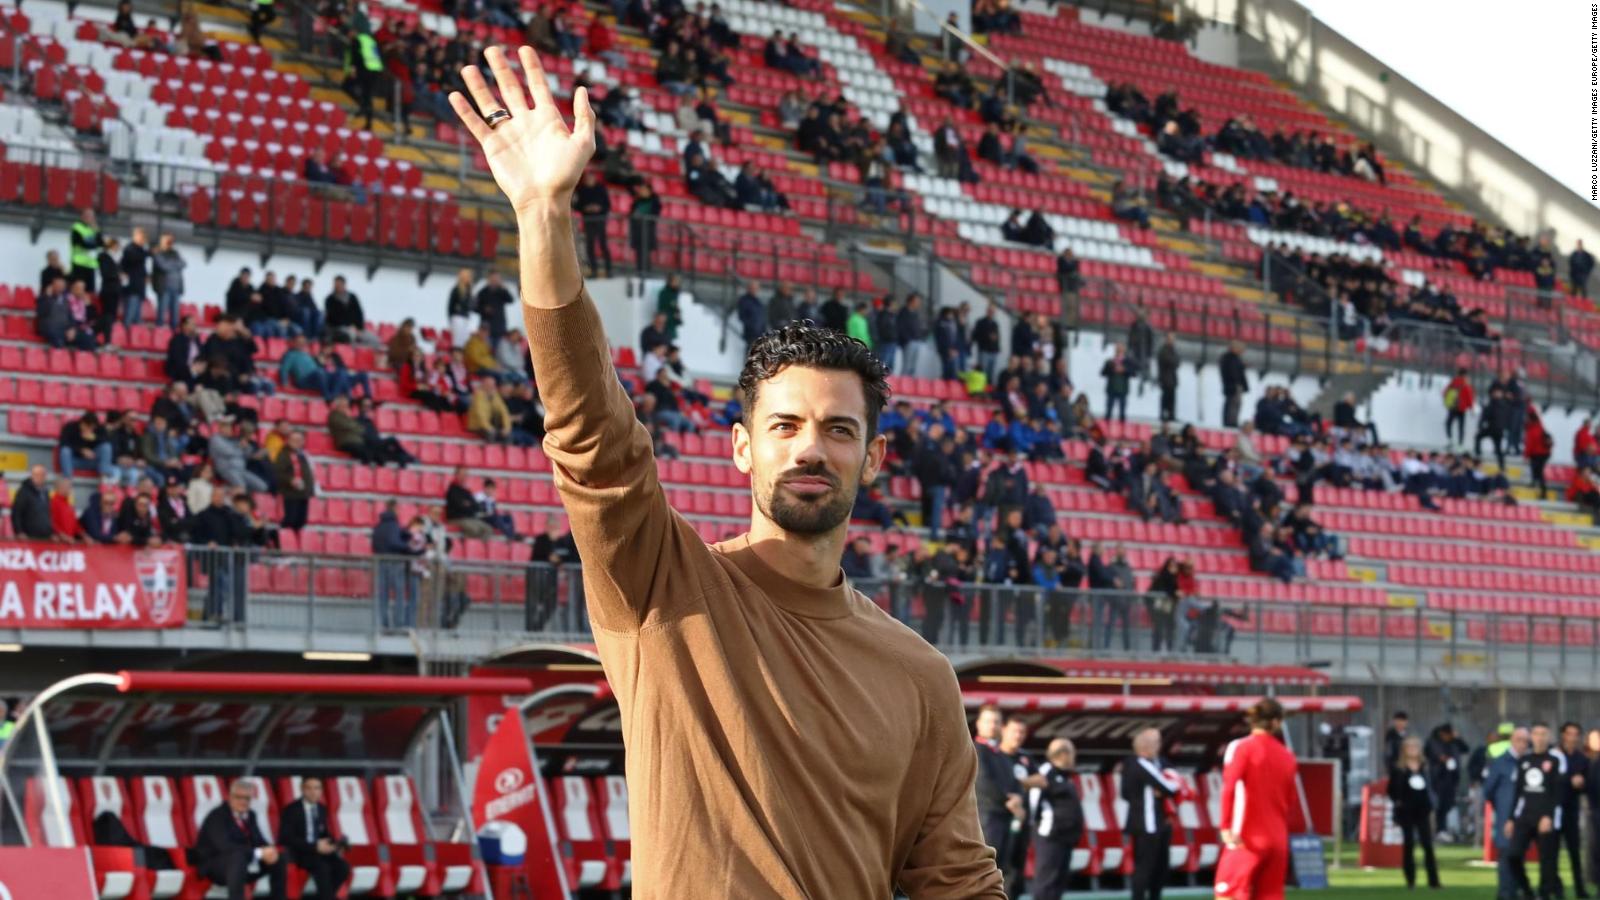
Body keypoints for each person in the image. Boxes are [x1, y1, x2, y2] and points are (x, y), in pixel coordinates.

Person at [448, 45, 1005, 896]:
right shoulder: (660, 588)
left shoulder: (920, 677)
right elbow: (593, 438)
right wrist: (543, 214)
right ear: (742, 447)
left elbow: (957, 884)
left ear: (876, 456)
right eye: (783, 425)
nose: (809, 447)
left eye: (837, 429)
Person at [1216, 699, 1298, 900]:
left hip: (1246, 837)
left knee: (1228, 894)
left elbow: (1230, 786)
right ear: (1277, 723)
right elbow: (1291, 799)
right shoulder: (1287, 755)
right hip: (1277, 840)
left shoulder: (1241, 747)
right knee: (1269, 895)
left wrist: (1226, 826)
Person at [191, 779, 285, 900]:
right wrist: (259, 853)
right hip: (216, 867)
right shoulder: (217, 816)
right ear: (229, 796)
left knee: (279, 858)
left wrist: (269, 850)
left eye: (247, 798)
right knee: (237, 857)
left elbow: (258, 840)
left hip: (244, 863)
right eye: (238, 797)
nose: (243, 801)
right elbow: (225, 847)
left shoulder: (251, 815)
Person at [1507, 722, 1565, 900]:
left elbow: (1556, 793)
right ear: (1531, 737)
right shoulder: (1524, 761)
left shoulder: (1555, 761)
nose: (1540, 738)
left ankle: (1545, 894)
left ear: (1549, 737)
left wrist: (1548, 816)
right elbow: (1517, 792)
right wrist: (1510, 818)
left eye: (1543, 734)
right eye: (1536, 734)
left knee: (1547, 863)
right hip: (1525, 816)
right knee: (1513, 855)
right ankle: (1527, 890)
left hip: (1545, 817)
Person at [1123, 727, 1181, 900]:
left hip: (1162, 822)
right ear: (1144, 746)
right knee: (1144, 867)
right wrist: (1161, 789)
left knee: (1161, 867)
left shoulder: (1161, 762)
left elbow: (1177, 782)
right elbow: (1169, 787)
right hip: (1145, 824)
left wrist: (1162, 789)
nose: (1159, 746)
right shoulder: (1137, 763)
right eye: (1156, 743)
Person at [1030, 738, 1083, 900]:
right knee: (1046, 881)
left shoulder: (1065, 775)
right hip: (1050, 836)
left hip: (1066, 837)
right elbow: (1034, 798)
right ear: (1063, 754)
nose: (1074, 757)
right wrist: (1036, 825)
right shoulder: (1046, 772)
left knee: (1059, 881)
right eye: (1072, 753)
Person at [278, 776, 349, 898]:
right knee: (323, 868)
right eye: (309, 788)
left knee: (343, 867)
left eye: (317, 788)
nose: (313, 792)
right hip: (302, 852)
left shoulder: (321, 809)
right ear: (302, 789)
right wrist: (314, 847)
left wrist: (334, 845)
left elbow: (323, 833)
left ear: (321, 790)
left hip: (321, 851)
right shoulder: (291, 810)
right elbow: (285, 837)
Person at [1389, 736, 1443, 889]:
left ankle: (1434, 881)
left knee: (1427, 845)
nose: (1413, 750)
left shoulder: (1425, 767)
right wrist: (1399, 802)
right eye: (1409, 747)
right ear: (1404, 750)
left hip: (1423, 810)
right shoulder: (1399, 769)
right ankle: (1410, 880)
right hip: (1406, 811)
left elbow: (1432, 787)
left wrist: (1432, 803)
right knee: (1409, 845)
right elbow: (1392, 790)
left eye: (1415, 747)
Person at [1486, 726, 1531, 900]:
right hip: (1506, 818)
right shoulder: (1500, 762)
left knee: (1518, 856)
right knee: (1505, 855)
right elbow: (1488, 790)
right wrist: (1502, 808)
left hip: (1525, 818)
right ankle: (1506, 893)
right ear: (1512, 740)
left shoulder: (1529, 762)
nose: (1522, 744)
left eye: (1526, 741)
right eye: (1519, 740)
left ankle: (1518, 891)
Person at [1560, 721, 1591, 898]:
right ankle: (1552, 888)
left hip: (1572, 811)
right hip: (1554, 810)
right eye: (1569, 733)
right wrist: (1568, 780)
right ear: (1563, 735)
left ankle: (1580, 889)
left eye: (1575, 734)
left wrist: (1581, 783)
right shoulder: (1554, 755)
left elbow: (1588, 786)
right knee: (1550, 854)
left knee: (1574, 852)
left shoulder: (1582, 759)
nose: (1572, 737)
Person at [10, 465, 53, 541]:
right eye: (41, 475)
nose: (43, 478)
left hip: (45, 536)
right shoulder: (24, 492)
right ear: (33, 476)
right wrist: (19, 532)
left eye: (44, 475)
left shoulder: (45, 492)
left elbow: (48, 514)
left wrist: (51, 532)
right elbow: (17, 512)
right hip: (29, 535)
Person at [1220, 341, 1247, 429]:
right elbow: (1233, 373)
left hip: (1232, 385)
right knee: (1233, 404)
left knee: (1234, 404)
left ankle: (1232, 421)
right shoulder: (1230, 359)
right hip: (1233, 385)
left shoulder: (1231, 358)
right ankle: (1231, 423)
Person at [1444, 368, 1474, 446]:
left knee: (1448, 423)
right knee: (1461, 426)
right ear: (1465, 375)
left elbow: (1445, 392)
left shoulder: (1454, 381)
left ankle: (1450, 439)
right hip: (1462, 408)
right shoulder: (1466, 383)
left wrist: (1448, 402)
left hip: (1453, 406)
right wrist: (1471, 407)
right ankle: (1460, 443)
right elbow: (1469, 396)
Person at [1156, 334, 1179, 422]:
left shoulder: (1173, 350)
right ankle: (1163, 415)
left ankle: (1171, 415)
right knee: (1165, 397)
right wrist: (1173, 361)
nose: (1172, 341)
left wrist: (1174, 361)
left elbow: (1177, 361)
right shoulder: (1163, 350)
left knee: (1172, 398)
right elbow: (1170, 361)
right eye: (1170, 339)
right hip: (1165, 378)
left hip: (1172, 378)